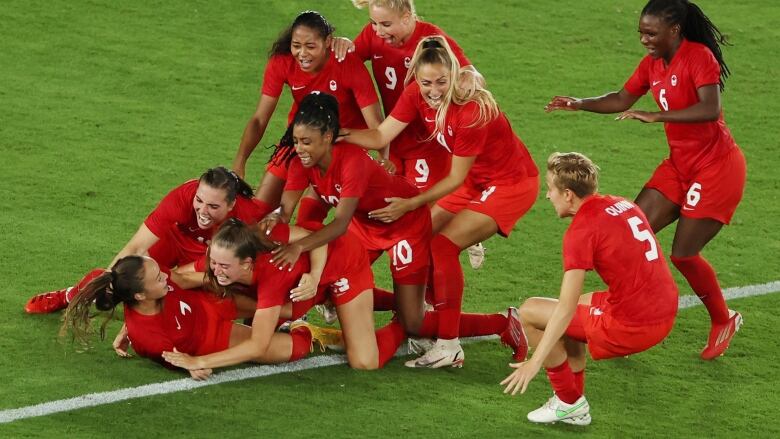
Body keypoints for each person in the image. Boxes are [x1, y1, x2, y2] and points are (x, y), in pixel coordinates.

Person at [544, 0, 745, 360]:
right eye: (641, 32)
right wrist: (579, 103)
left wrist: (656, 116)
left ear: (675, 30)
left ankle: (723, 318)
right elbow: (622, 98)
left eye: (651, 33)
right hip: (680, 165)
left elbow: (710, 108)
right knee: (629, 234)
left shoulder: (699, 57)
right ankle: (627, 316)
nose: (644, 39)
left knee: (683, 254)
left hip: (717, 168)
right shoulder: (653, 63)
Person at [342, 36, 539, 367]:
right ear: (417, 78)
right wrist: (336, 133)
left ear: (454, 75)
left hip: (509, 184)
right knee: (421, 238)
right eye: (426, 82)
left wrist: (410, 204)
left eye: (441, 82)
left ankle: (449, 343)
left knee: (442, 246)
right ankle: (432, 319)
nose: (433, 90)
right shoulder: (417, 94)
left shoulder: (473, 110)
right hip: (476, 179)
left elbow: (454, 179)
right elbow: (380, 136)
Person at [500, 152, 678, 425]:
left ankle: (568, 401)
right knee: (578, 308)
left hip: (635, 323)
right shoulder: (622, 203)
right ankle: (573, 400)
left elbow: (565, 308)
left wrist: (535, 362)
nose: (548, 196)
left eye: (550, 189)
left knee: (530, 313)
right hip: (663, 305)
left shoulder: (581, 231)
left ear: (568, 194)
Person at [334, 0, 488, 270]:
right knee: (389, 209)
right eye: (373, 23)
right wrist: (345, 44)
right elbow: (350, 62)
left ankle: (420, 290)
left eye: (386, 24)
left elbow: (470, 71)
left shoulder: (432, 40)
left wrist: (471, 78)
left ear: (407, 18)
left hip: (425, 144)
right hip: (392, 138)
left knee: (416, 217)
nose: (378, 31)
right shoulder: (374, 36)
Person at [163, 219, 406, 371]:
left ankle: (407, 320)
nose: (215, 270)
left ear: (247, 264)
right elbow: (179, 278)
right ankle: (327, 304)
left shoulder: (271, 275)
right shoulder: (229, 250)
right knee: (269, 308)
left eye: (224, 266)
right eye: (212, 263)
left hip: (343, 263)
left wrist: (200, 362)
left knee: (365, 362)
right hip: (299, 286)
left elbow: (258, 346)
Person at [25, 167, 269, 314]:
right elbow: (136, 247)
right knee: (127, 279)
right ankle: (68, 296)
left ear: (232, 205)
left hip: (209, 257)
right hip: (176, 240)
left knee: (211, 298)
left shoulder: (249, 217)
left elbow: (264, 263)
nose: (202, 210)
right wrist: (108, 282)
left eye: (213, 206)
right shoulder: (181, 198)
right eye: (199, 200)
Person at [60, 255, 325, 380]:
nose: (164, 275)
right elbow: (178, 360)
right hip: (215, 339)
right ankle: (302, 328)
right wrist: (193, 366)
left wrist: (223, 279)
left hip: (212, 302)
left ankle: (325, 290)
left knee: (287, 306)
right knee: (296, 348)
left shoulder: (147, 282)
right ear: (140, 296)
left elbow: (184, 278)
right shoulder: (148, 338)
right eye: (157, 278)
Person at [232, 10, 384, 225]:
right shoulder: (282, 62)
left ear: (328, 42)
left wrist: (384, 159)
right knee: (257, 211)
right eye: (296, 45)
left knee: (308, 218)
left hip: (343, 142)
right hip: (300, 138)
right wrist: (240, 161)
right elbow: (259, 119)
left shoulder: (347, 64)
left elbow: (377, 126)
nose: (302, 54)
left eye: (310, 46)